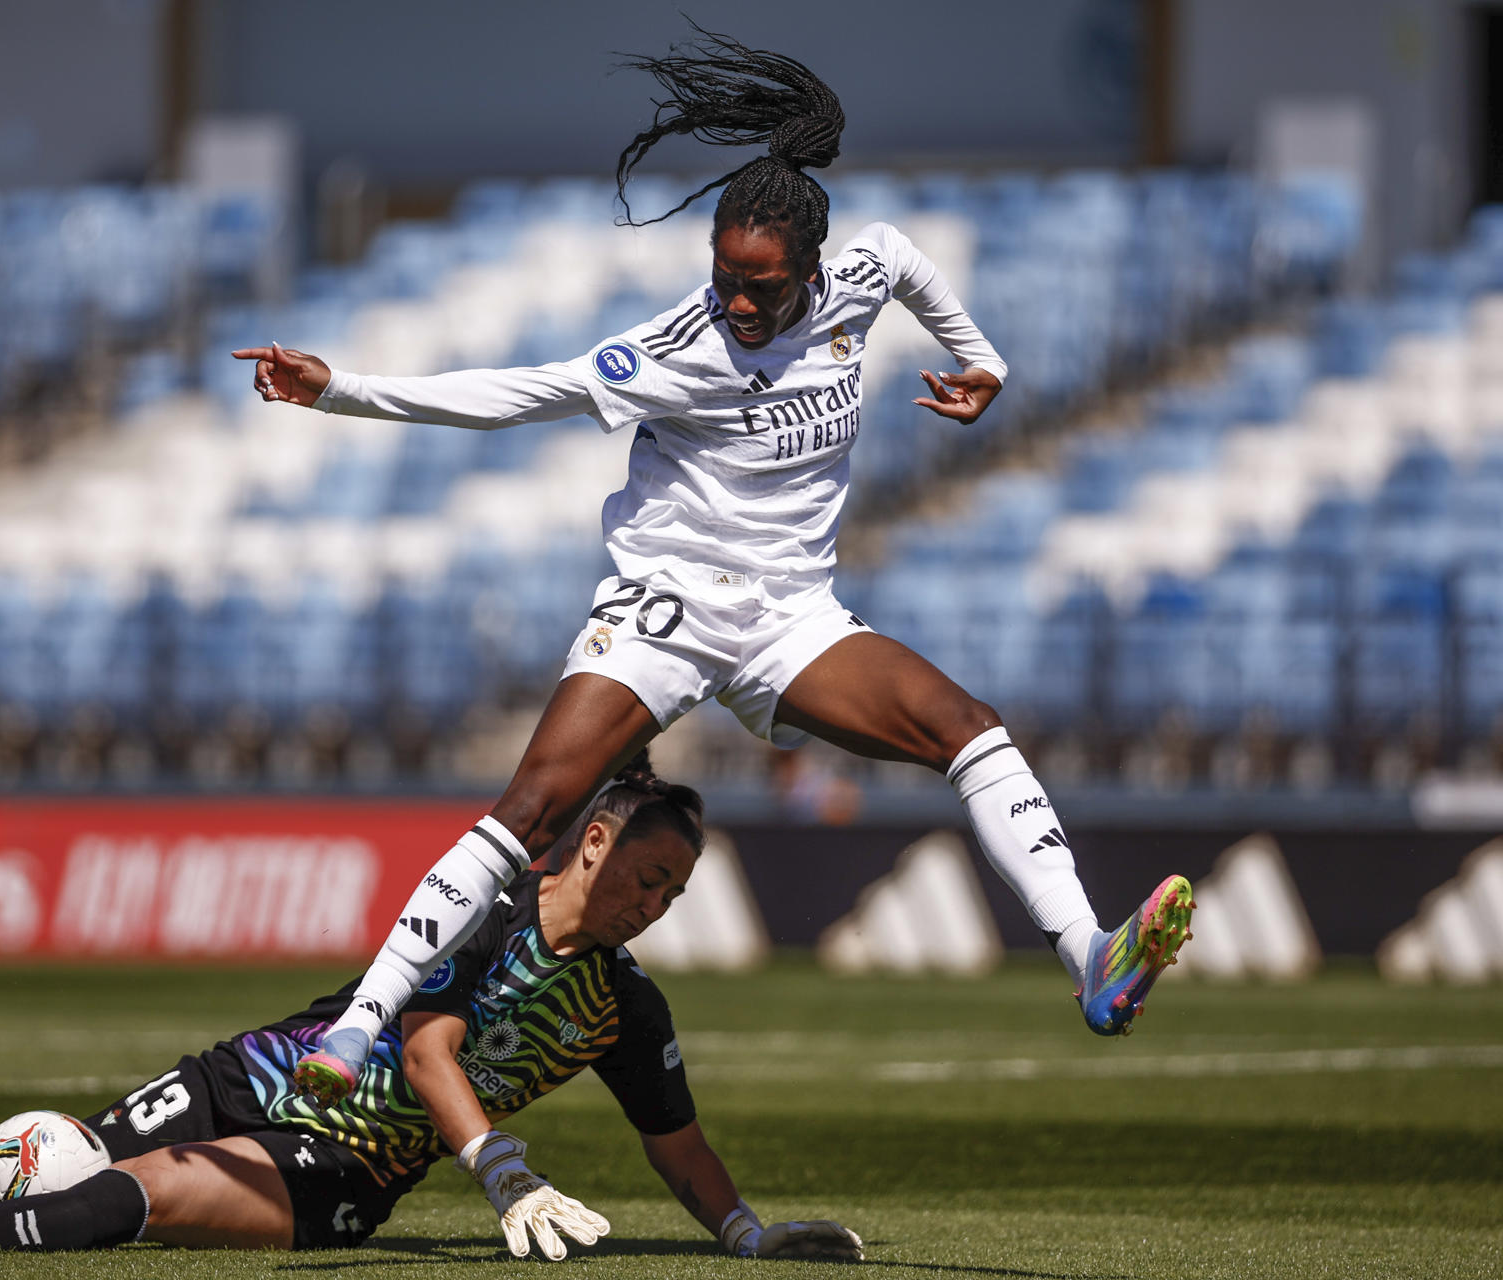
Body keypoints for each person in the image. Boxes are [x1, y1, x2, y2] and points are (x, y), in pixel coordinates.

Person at [233, 28, 1194, 1107]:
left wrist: (983, 362)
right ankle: (363, 1021)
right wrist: (342, 387)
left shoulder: (860, 273)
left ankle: (1090, 957)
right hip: (666, 608)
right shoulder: (676, 350)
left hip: (792, 616)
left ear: (811, 271)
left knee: (966, 725)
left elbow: (912, 266)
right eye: (723, 277)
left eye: (759, 285)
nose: (736, 301)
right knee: (537, 804)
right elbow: (520, 392)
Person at [0, 759, 864, 1263]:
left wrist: (747, 1232)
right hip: (261, 1069)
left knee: (149, 1188)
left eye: (675, 891)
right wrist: (500, 1168)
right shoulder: (483, 906)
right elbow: (430, 1043)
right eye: (651, 872)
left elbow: (677, 1141)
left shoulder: (622, 1005)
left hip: (345, 1165)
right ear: (595, 840)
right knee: (77, 1140)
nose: (656, 902)